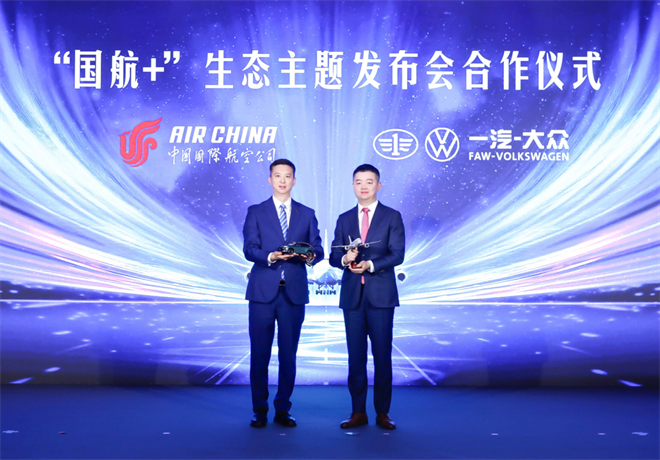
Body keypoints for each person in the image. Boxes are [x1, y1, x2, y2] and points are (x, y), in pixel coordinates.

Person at [243, 159, 323, 428]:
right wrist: (271, 256)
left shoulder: (306, 213)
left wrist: (308, 255)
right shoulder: (256, 211)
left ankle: (283, 408)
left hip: (293, 293)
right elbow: (249, 249)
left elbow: (318, 249)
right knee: (260, 353)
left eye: (287, 176)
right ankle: (259, 408)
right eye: (277, 175)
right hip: (262, 292)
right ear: (270, 180)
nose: (282, 180)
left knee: (288, 354)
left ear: (294, 180)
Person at [330, 164, 405, 430]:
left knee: (382, 356)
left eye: (369, 182)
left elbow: (397, 254)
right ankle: (357, 412)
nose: (364, 186)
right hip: (353, 296)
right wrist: (345, 259)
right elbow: (333, 256)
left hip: (381, 296)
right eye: (359, 182)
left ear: (378, 185)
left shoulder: (391, 216)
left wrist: (370, 265)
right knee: (356, 357)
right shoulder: (344, 219)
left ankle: (383, 412)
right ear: (353, 185)